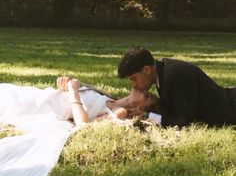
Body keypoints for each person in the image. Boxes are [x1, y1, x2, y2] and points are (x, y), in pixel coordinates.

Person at [118, 47, 236, 128]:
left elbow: (183, 122)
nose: (134, 85)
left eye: (134, 78)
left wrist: (146, 116)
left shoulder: (175, 76)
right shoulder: (162, 72)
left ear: (147, 70)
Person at [0, 76, 160, 127]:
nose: (145, 91)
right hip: (45, 95)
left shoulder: (118, 113)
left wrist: (73, 92)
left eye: (147, 97)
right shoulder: (108, 97)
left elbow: (83, 125)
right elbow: (73, 86)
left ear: (140, 107)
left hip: (46, 108)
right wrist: (65, 81)